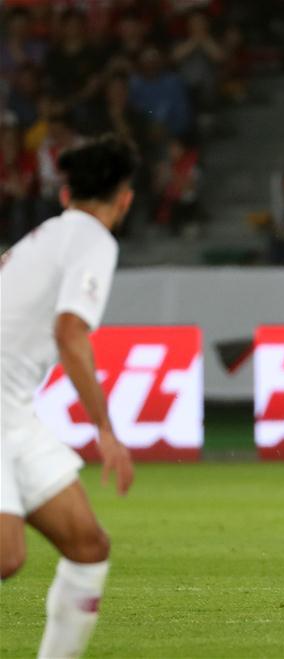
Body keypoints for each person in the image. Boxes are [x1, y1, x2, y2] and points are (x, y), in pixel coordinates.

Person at [1, 134, 137, 658]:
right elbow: (70, 332)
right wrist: (105, 428)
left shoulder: (45, 237)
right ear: (124, 199)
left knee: (88, 546)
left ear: (65, 194)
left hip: (12, 411)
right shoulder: (94, 240)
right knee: (6, 555)